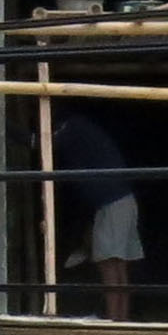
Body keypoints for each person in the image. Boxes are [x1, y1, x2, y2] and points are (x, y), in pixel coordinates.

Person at [50, 107, 140, 322]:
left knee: (108, 266)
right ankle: (120, 324)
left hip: (112, 203)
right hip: (122, 201)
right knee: (119, 267)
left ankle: (114, 325)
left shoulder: (71, 128)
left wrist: (7, 128)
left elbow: (40, 142)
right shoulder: (86, 133)